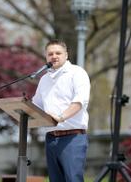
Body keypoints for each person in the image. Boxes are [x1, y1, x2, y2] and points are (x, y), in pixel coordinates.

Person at [32, 39, 91, 182]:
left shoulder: (77, 73)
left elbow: (80, 102)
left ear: (66, 55)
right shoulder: (44, 79)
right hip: (50, 138)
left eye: (58, 53)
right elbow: (36, 105)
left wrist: (61, 117)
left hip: (72, 138)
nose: (54, 56)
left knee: (73, 179)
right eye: (50, 54)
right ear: (46, 57)